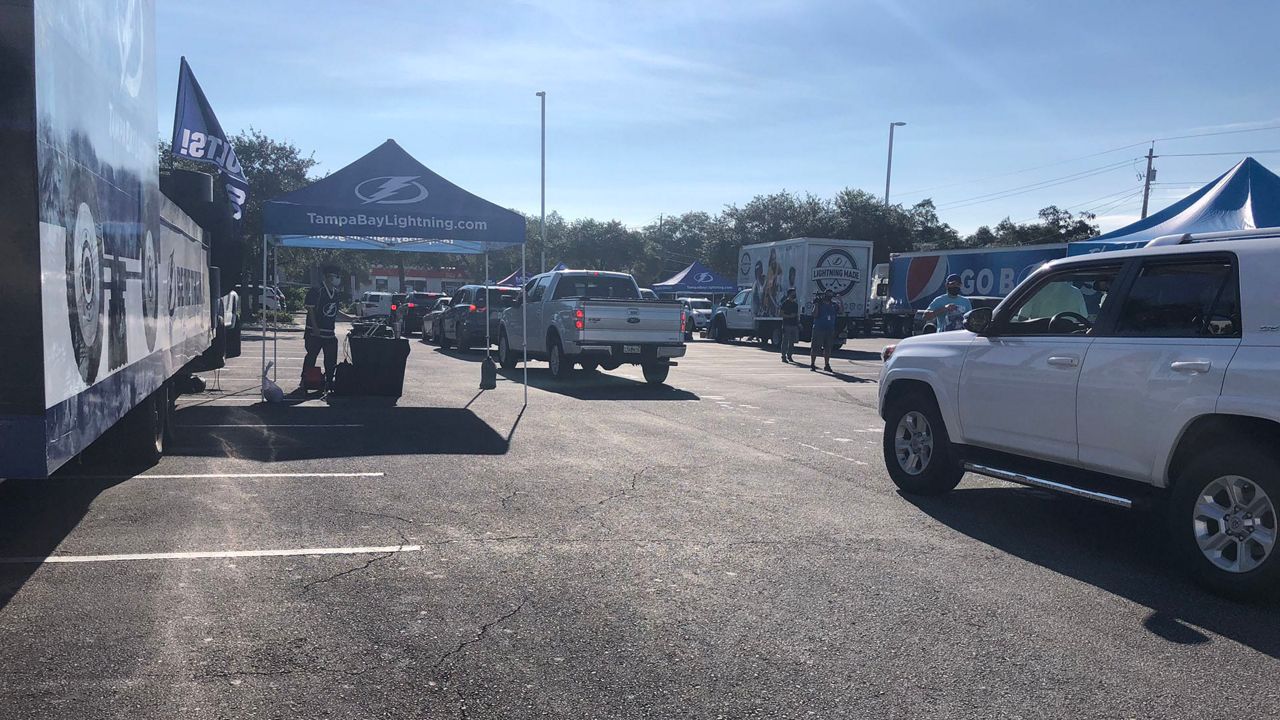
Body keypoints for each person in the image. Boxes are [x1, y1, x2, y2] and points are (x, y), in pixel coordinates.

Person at [302, 265, 342, 390]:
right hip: (315, 333)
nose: (333, 279)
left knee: (330, 359)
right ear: (325, 277)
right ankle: (305, 379)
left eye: (335, 277)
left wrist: (352, 319)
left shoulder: (336, 293)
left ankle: (329, 380)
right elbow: (310, 309)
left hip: (329, 332)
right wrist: (314, 327)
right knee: (311, 356)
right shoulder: (316, 290)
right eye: (331, 276)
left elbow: (335, 310)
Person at [809, 290, 838, 372]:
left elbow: (841, 311)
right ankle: (812, 364)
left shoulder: (833, 305)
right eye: (828, 294)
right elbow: (814, 314)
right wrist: (816, 304)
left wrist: (840, 301)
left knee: (828, 348)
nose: (829, 296)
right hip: (819, 328)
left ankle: (827, 364)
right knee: (815, 347)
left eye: (831, 294)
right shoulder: (820, 304)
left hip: (829, 329)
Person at [779, 288, 799, 362]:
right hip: (786, 324)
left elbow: (796, 315)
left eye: (795, 293)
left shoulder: (795, 304)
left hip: (794, 325)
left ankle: (789, 355)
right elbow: (781, 313)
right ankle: (783, 356)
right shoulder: (785, 303)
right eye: (793, 293)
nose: (794, 294)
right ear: (789, 294)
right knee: (785, 341)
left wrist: (798, 323)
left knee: (792, 342)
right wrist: (789, 316)